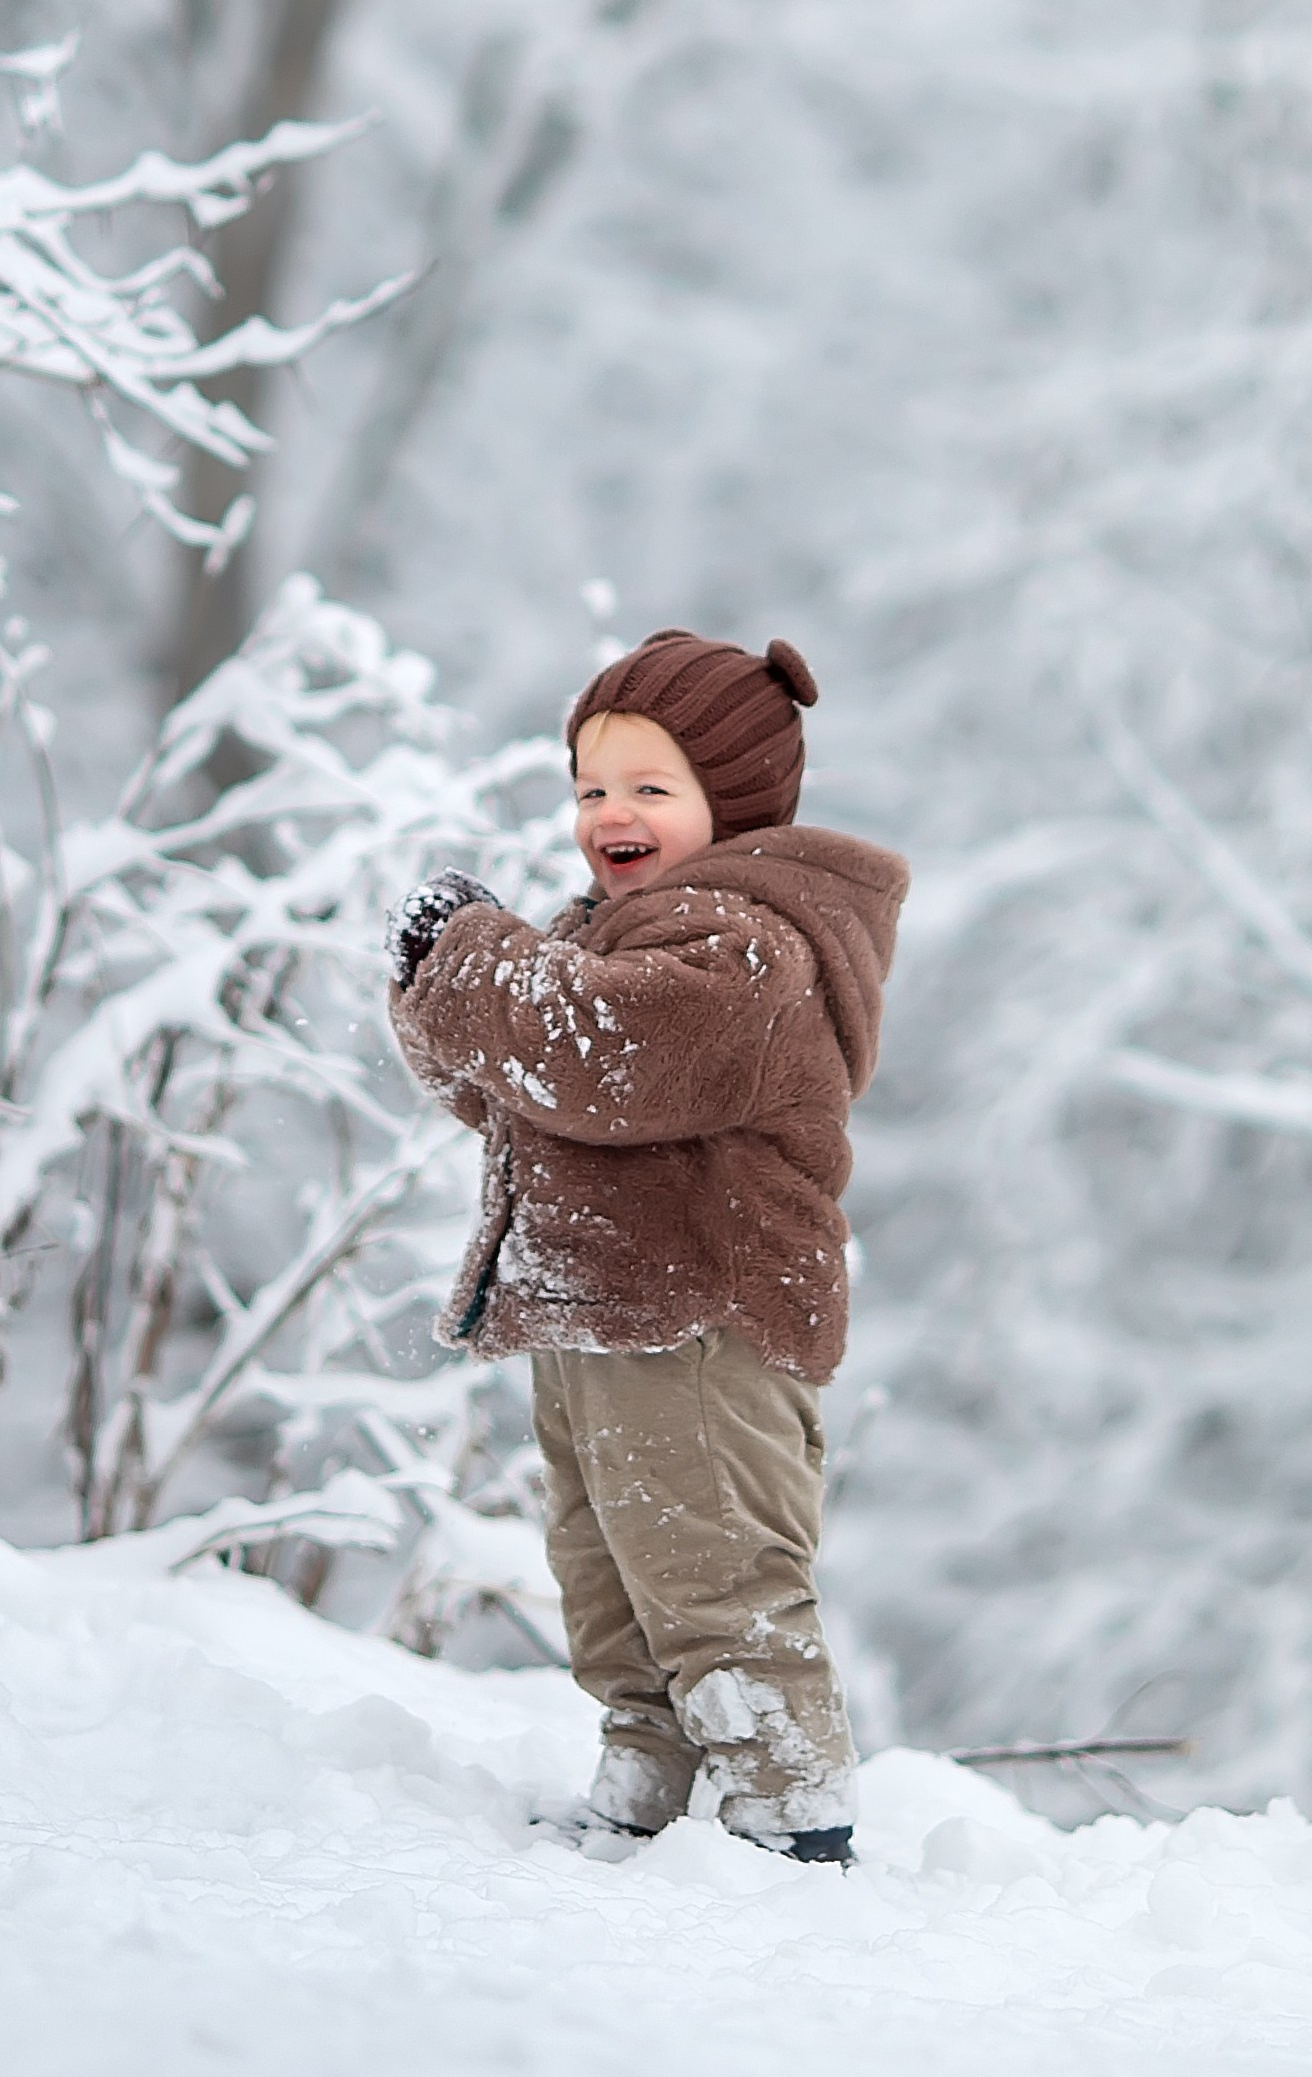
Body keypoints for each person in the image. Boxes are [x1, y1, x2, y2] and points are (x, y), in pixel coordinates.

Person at [385, 627, 906, 1867]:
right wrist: (430, 988)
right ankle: (644, 1775)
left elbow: (594, 1057)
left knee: (710, 1557)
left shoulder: (747, 946)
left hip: (699, 1319)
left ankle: (789, 1807)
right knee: (610, 1567)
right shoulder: (624, 931)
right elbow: (517, 1085)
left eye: (647, 788)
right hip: (598, 1308)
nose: (607, 813)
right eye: (589, 788)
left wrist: (477, 959)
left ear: (733, 799)